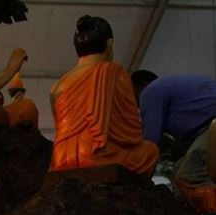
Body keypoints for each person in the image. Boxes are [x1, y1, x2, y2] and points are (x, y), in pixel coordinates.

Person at [49, 15, 159, 178]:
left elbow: (60, 131)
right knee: (151, 151)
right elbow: (131, 135)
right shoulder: (115, 73)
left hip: (61, 158)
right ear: (109, 44)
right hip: (96, 157)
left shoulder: (57, 85)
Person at [131, 71, 216, 212]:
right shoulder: (168, 87)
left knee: (188, 178)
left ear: (139, 86)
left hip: (212, 127)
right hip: (208, 127)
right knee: (178, 171)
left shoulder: (149, 92)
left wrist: (140, 181)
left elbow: (151, 144)